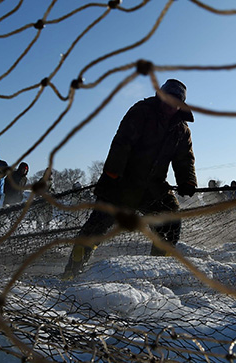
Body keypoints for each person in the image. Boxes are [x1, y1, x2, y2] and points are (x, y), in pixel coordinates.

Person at [63, 79, 197, 278]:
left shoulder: (182, 130)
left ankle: (155, 273)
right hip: (121, 182)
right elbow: (122, 142)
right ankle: (72, 272)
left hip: (153, 187)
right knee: (95, 229)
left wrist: (188, 181)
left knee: (171, 222)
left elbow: (184, 159)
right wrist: (113, 172)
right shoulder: (141, 112)